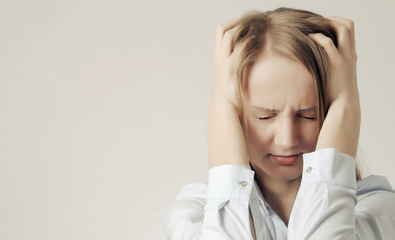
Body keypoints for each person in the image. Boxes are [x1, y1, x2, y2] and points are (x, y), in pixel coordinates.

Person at [164, 7, 395, 240]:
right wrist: (221, 106)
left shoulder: (379, 208)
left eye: (308, 115)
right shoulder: (194, 213)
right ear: (235, 116)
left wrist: (346, 101)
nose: (287, 140)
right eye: (264, 116)